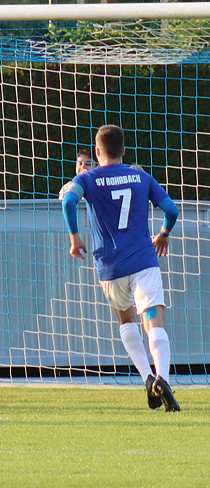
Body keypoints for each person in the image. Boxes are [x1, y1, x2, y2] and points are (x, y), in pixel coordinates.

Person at [62, 124, 180, 412]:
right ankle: (162, 377)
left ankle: (146, 377)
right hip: (143, 261)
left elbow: (68, 200)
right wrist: (163, 234)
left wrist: (74, 237)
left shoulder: (88, 178)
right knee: (154, 321)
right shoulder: (142, 176)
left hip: (110, 268)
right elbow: (171, 210)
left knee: (126, 321)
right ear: (123, 150)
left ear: (98, 152)